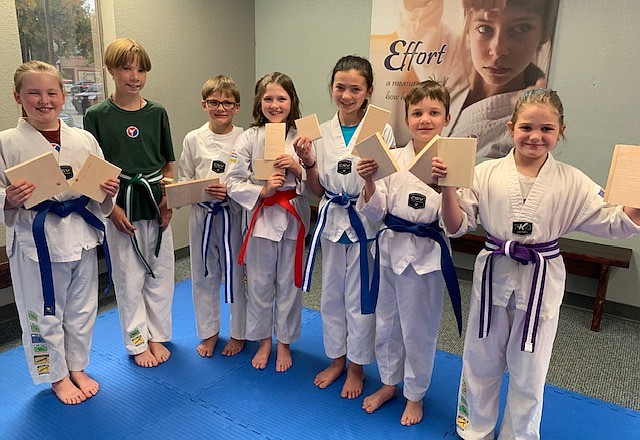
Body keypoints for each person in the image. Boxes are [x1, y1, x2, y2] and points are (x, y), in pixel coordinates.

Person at [432, 88, 640, 439]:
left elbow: (616, 222)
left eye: (547, 129)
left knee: (530, 370)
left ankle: (520, 435)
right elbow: (455, 226)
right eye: (527, 127)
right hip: (495, 272)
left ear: (560, 131)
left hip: (541, 280)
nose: (536, 136)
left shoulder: (572, 181)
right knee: (480, 361)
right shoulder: (486, 172)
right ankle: (474, 430)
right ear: (511, 127)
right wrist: (448, 188)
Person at [0, 60, 119, 404]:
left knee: (83, 309)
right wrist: (7, 198)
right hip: (34, 240)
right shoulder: (6, 142)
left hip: (80, 233)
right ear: (17, 97)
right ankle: (57, 376)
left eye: (52, 92)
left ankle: (77, 366)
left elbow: (99, 190)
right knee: (42, 312)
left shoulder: (83, 139)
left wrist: (108, 192)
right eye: (33, 93)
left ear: (64, 96)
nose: (44, 100)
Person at [355, 80, 462, 425]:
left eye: (434, 112)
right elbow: (374, 211)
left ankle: (414, 395)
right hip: (389, 249)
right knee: (386, 323)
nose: (425, 119)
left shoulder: (456, 162)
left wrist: (448, 187)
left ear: (446, 117)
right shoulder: (394, 157)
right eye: (417, 112)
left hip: (426, 257)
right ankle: (388, 383)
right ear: (407, 117)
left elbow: (457, 225)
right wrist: (369, 181)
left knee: (419, 329)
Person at [298, 55, 395, 399]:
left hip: (363, 222)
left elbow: (385, 186)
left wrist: (370, 177)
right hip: (330, 221)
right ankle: (337, 359)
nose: (347, 95)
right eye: (340, 87)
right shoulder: (318, 132)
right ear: (331, 88)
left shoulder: (380, 128)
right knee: (331, 298)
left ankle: (356, 367)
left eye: (356, 88)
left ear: (368, 91)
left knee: (359, 299)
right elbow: (316, 189)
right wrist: (309, 163)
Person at [84, 38, 176, 368]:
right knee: (128, 278)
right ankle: (137, 342)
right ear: (111, 70)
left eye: (140, 69)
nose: (134, 76)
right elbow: (93, 171)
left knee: (161, 272)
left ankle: (158, 335)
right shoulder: (96, 116)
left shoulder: (157, 113)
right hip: (120, 201)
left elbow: (167, 164)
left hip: (154, 198)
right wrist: (112, 209)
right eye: (126, 68)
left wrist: (168, 201)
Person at [370, 0, 558, 158]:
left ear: (544, 33)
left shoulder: (527, 118)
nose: (498, 50)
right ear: (468, 27)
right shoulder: (451, 60)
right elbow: (418, 15)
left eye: (520, 28)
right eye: (484, 28)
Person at [225, 72, 312, 372]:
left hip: (292, 216)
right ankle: (263, 340)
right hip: (261, 217)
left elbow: (320, 182)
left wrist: (298, 169)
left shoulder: (303, 135)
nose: (275, 105)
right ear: (259, 102)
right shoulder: (248, 137)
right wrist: (262, 189)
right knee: (260, 284)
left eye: (282, 98)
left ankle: (284, 343)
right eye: (268, 99)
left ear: (292, 101)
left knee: (289, 285)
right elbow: (232, 182)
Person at [177, 75, 247, 357]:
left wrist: (231, 192)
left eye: (227, 103)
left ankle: (240, 333)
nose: (221, 108)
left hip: (234, 214)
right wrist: (204, 193)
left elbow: (252, 179)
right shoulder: (193, 139)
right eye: (214, 102)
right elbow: (183, 182)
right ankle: (209, 332)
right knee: (204, 274)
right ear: (203, 104)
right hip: (202, 216)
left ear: (237, 106)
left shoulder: (245, 137)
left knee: (237, 272)